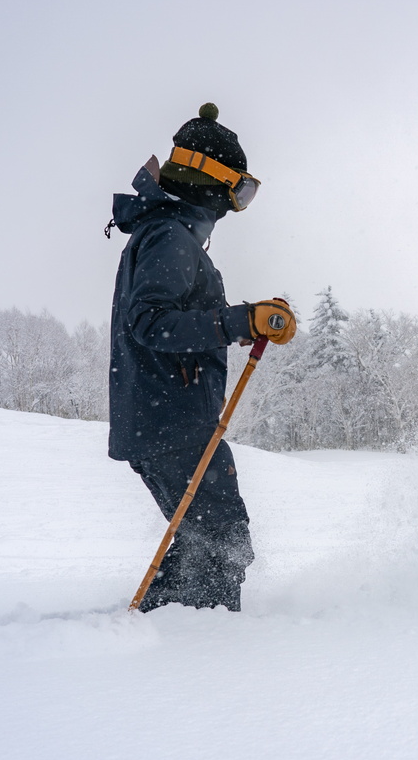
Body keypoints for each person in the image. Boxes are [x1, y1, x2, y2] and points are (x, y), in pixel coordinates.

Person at [107, 103, 296, 612]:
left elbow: (174, 323)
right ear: (214, 182)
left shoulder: (169, 233)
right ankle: (199, 652)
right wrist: (239, 321)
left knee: (207, 541)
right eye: (241, 189)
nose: (239, 203)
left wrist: (244, 322)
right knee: (223, 543)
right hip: (170, 423)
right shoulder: (171, 237)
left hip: (163, 419)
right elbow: (149, 323)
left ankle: (176, 630)